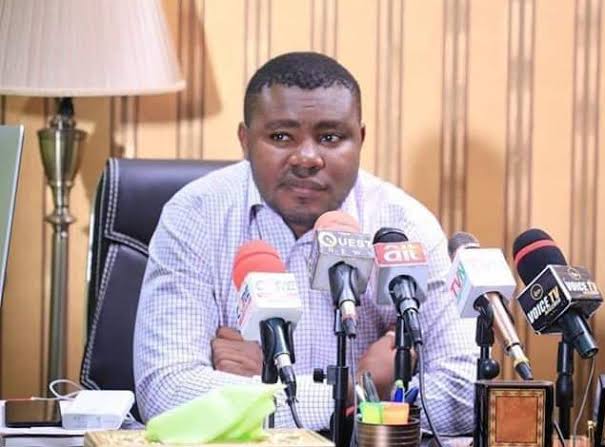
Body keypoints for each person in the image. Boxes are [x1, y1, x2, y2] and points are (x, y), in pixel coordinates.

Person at [133, 51, 478, 434]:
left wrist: (255, 392)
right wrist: (358, 391)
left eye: (330, 137)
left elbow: (466, 394)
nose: (307, 158)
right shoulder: (195, 215)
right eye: (281, 137)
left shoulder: (404, 226)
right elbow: (165, 392)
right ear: (245, 141)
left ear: (360, 140)